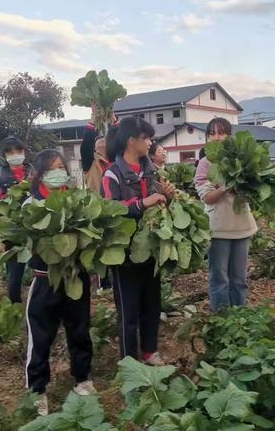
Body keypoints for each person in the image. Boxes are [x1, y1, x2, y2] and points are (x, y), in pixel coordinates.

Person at [25, 150, 95, 416]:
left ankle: (82, 378)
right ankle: (37, 391)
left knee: (80, 330)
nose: (59, 172)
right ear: (41, 174)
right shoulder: (31, 205)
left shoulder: (77, 201)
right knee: (41, 336)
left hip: (76, 277)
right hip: (46, 280)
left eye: (62, 167)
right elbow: (28, 244)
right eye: (53, 168)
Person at [101, 116, 174, 364]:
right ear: (133, 141)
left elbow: (159, 205)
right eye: (147, 138)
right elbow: (111, 210)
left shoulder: (150, 170)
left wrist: (167, 197)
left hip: (150, 249)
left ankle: (150, 351)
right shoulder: (112, 174)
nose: (151, 143)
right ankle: (129, 361)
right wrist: (143, 203)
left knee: (152, 305)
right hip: (124, 253)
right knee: (128, 311)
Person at [195, 117, 257, 312]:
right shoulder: (205, 163)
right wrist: (226, 187)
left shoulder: (243, 158)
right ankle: (222, 321)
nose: (216, 137)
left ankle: (240, 318)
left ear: (230, 136)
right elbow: (208, 197)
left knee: (239, 278)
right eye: (212, 133)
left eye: (221, 132)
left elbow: (252, 193)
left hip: (241, 226)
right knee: (219, 278)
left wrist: (236, 187)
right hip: (218, 228)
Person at [80, 105, 115, 290]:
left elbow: (119, 139)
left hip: (115, 207)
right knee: (101, 245)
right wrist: (93, 119)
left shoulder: (117, 163)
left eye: (105, 141)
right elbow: (85, 145)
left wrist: (113, 119)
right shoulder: (90, 164)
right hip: (97, 208)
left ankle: (115, 279)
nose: (102, 143)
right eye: (98, 141)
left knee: (114, 243)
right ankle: (103, 282)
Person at [0, 136, 32, 303]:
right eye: (11, 152)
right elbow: (1, 202)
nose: (15, 155)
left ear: (24, 152)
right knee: (15, 271)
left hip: (36, 225)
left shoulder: (36, 172)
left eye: (19, 151)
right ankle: (15, 305)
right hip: (13, 230)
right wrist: (16, 190)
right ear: (5, 155)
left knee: (43, 266)